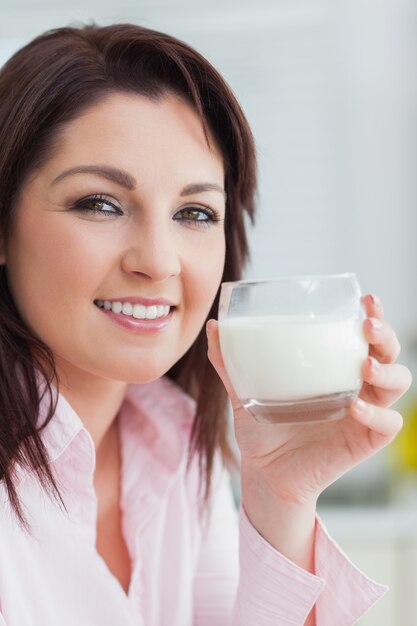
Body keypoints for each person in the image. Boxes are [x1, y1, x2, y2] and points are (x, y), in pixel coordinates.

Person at [0, 22, 411, 626]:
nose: (159, 261)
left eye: (194, 212)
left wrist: (281, 496)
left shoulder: (176, 447)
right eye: (101, 204)